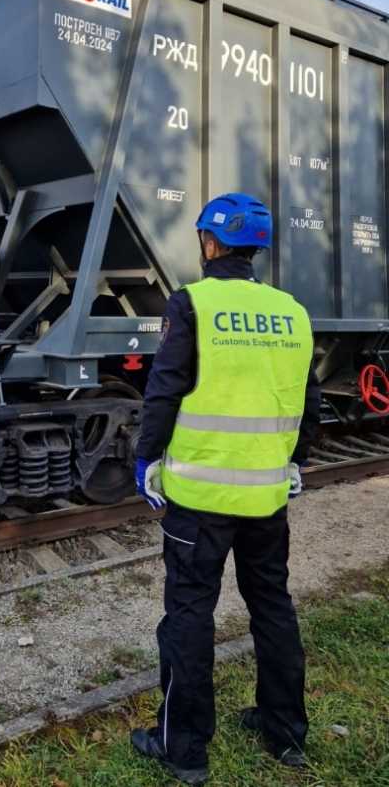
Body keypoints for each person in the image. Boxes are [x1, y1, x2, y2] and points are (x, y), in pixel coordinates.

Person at [130, 192, 320, 786]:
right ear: (256, 249)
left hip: (199, 501)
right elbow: (308, 404)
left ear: (210, 244)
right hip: (266, 498)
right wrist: (296, 461)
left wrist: (146, 458)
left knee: (189, 613)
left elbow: (163, 392)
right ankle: (285, 731)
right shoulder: (292, 311)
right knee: (272, 605)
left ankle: (184, 749)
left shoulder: (192, 305)